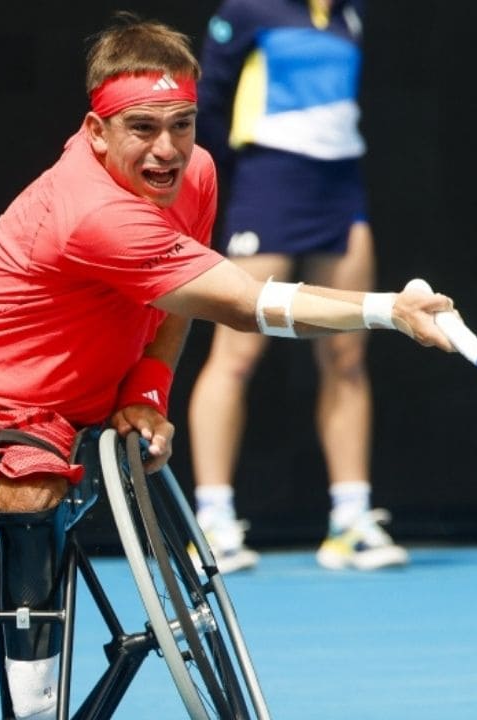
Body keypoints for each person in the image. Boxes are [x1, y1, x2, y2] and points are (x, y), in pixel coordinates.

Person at [0, 12, 456, 720]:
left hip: (55, 410)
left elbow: (182, 300)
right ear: (95, 130)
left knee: (29, 501)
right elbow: (240, 302)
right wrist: (390, 309)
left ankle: (34, 709)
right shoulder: (92, 213)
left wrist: (148, 388)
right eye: (143, 127)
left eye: (182, 124)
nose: (167, 149)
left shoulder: (194, 175)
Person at [186, 0, 402, 573]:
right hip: (270, 180)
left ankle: (350, 520)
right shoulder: (249, 10)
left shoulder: (348, 16)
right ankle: (212, 520)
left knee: (349, 353)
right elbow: (207, 106)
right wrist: (237, 177)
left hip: (340, 184)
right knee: (235, 353)